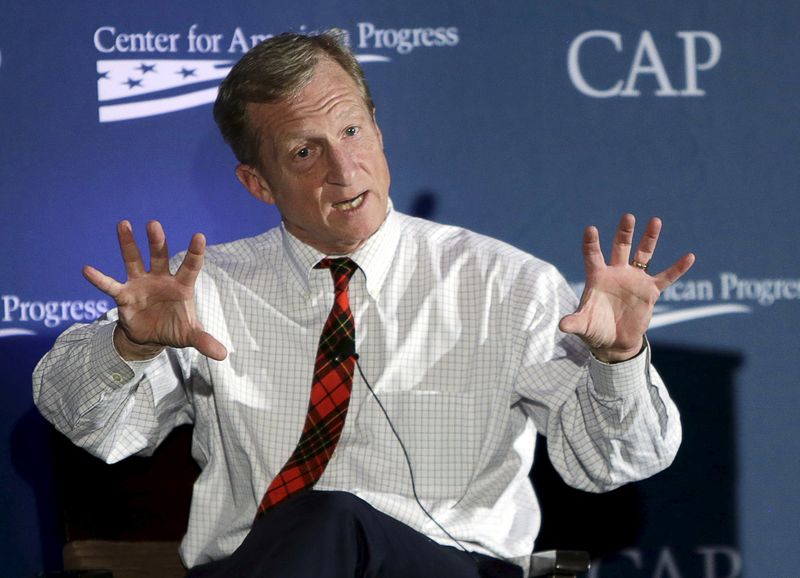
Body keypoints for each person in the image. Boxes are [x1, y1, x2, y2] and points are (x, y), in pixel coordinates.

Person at [33, 31, 695, 578]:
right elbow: (90, 425)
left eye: (352, 130)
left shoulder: (505, 284)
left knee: (332, 517)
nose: (344, 170)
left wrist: (619, 360)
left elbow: (614, 462)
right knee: (317, 527)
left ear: (378, 129)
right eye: (303, 151)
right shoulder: (207, 290)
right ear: (258, 183)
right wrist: (133, 347)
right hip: (261, 567)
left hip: (450, 569)